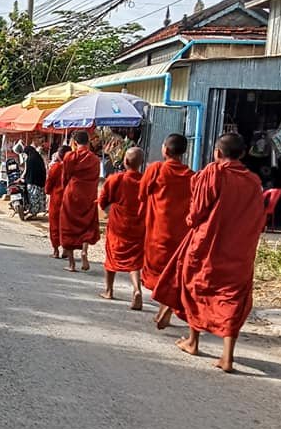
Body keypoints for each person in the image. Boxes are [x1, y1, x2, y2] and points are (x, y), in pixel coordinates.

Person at [152, 133, 266, 373]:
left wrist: (190, 219)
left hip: (208, 244)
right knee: (232, 296)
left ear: (217, 153)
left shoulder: (213, 173)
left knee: (196, 287)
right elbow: (258, 216)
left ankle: (193, 341)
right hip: (239, 248)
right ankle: (227, 356)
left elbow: (197, 211)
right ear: (243, 154)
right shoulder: (253, 181)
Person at [139, 133, 195, 328]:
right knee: (174, 271)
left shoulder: (156, 169)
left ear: (165, 149)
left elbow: (142, 193)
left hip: (157, 230)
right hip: (180, 233)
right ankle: (166, 306)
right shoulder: (191, 176)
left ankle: (165, 304)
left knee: (157, 270)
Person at [98, 147, 146, 310]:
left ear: (125, 161)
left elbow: (103, 200)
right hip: (139, 224)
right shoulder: (145, 181)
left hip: (118, 223)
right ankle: (137, 289)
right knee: (135, 260)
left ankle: (109, 290)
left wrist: (108, 210)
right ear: (141, 163)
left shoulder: (115, 179)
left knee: (112, 256)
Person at [60, 130, 101, 272]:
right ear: (88, 143)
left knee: (68, 226)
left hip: (72, 193)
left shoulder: (70, 156)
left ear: (74, 143)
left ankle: (71, 264)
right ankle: (84, 251)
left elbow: (65, 176)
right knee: (87, 224)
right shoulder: (95, 160)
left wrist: (65, 189)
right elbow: (96, 179)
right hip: (88, 195)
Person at [45, 145, 71, 258]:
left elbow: (48, 185)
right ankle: (66, 249)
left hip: (56, 199)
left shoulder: (55, 167)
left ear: (59, 156)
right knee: (67, 225)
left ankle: (55, 250)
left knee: (55, 225)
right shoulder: (74, 168)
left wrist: (48, 191)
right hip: (70, 200)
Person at [22, 141, 47, 216]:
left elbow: (27, 171)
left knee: (33, 197)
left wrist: (22, 178)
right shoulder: (39, 158)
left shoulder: (29, 159)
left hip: (32, 181)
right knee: (39, 196)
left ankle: (32, 212)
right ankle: (37, 210)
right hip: (40, 181)